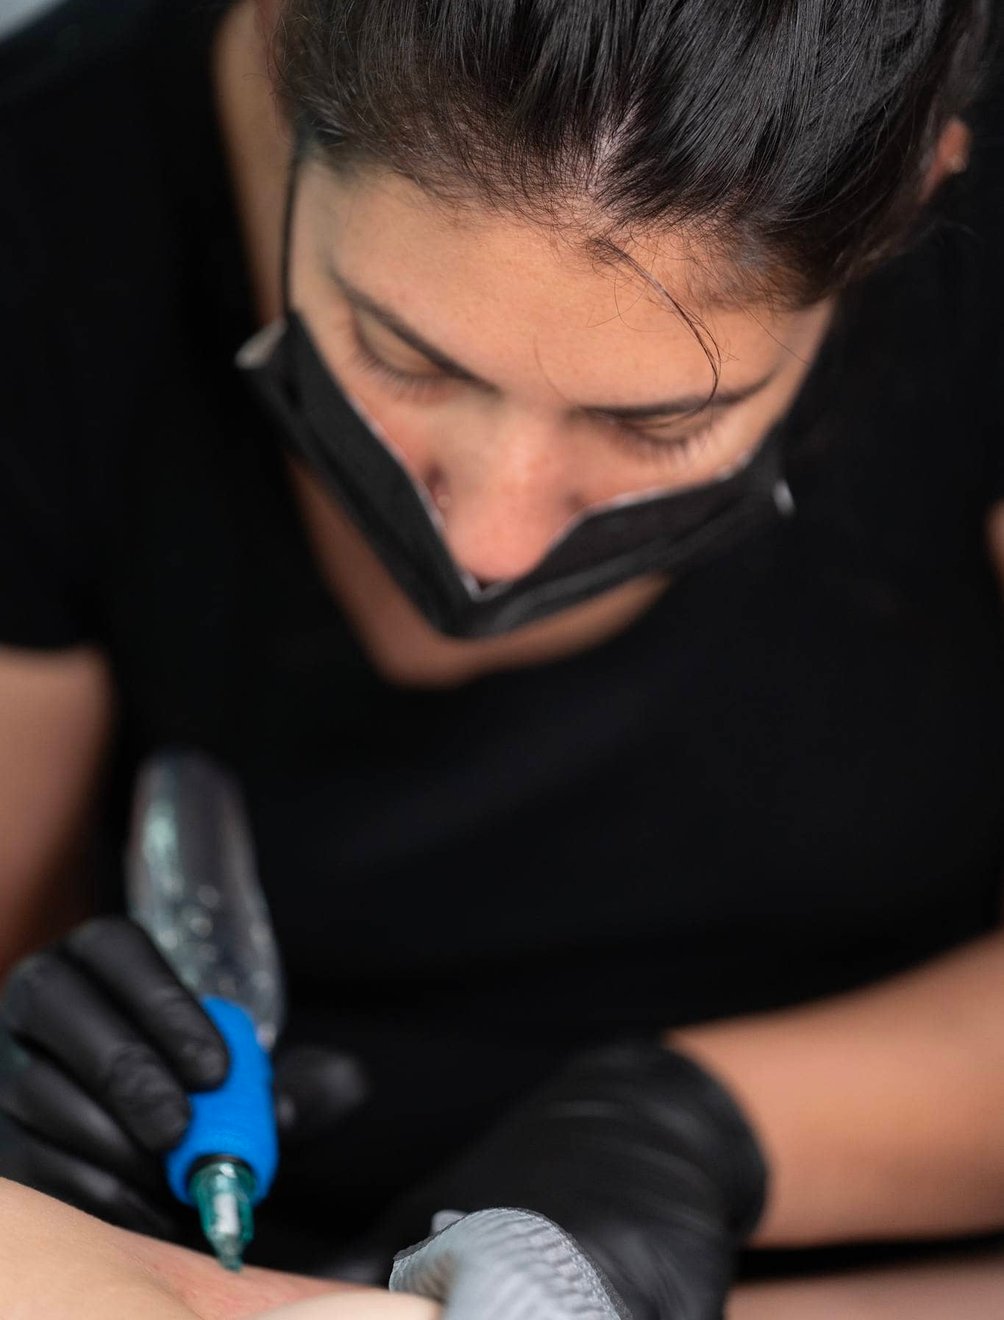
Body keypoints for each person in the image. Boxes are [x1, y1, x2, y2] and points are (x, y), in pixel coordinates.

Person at [1, 0, 1004, 1314]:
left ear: (923, 186)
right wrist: (44, 1105)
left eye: (658, 424)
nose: (490, 540)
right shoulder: (47, 205)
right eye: (402, 354)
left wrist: (696, 1134)